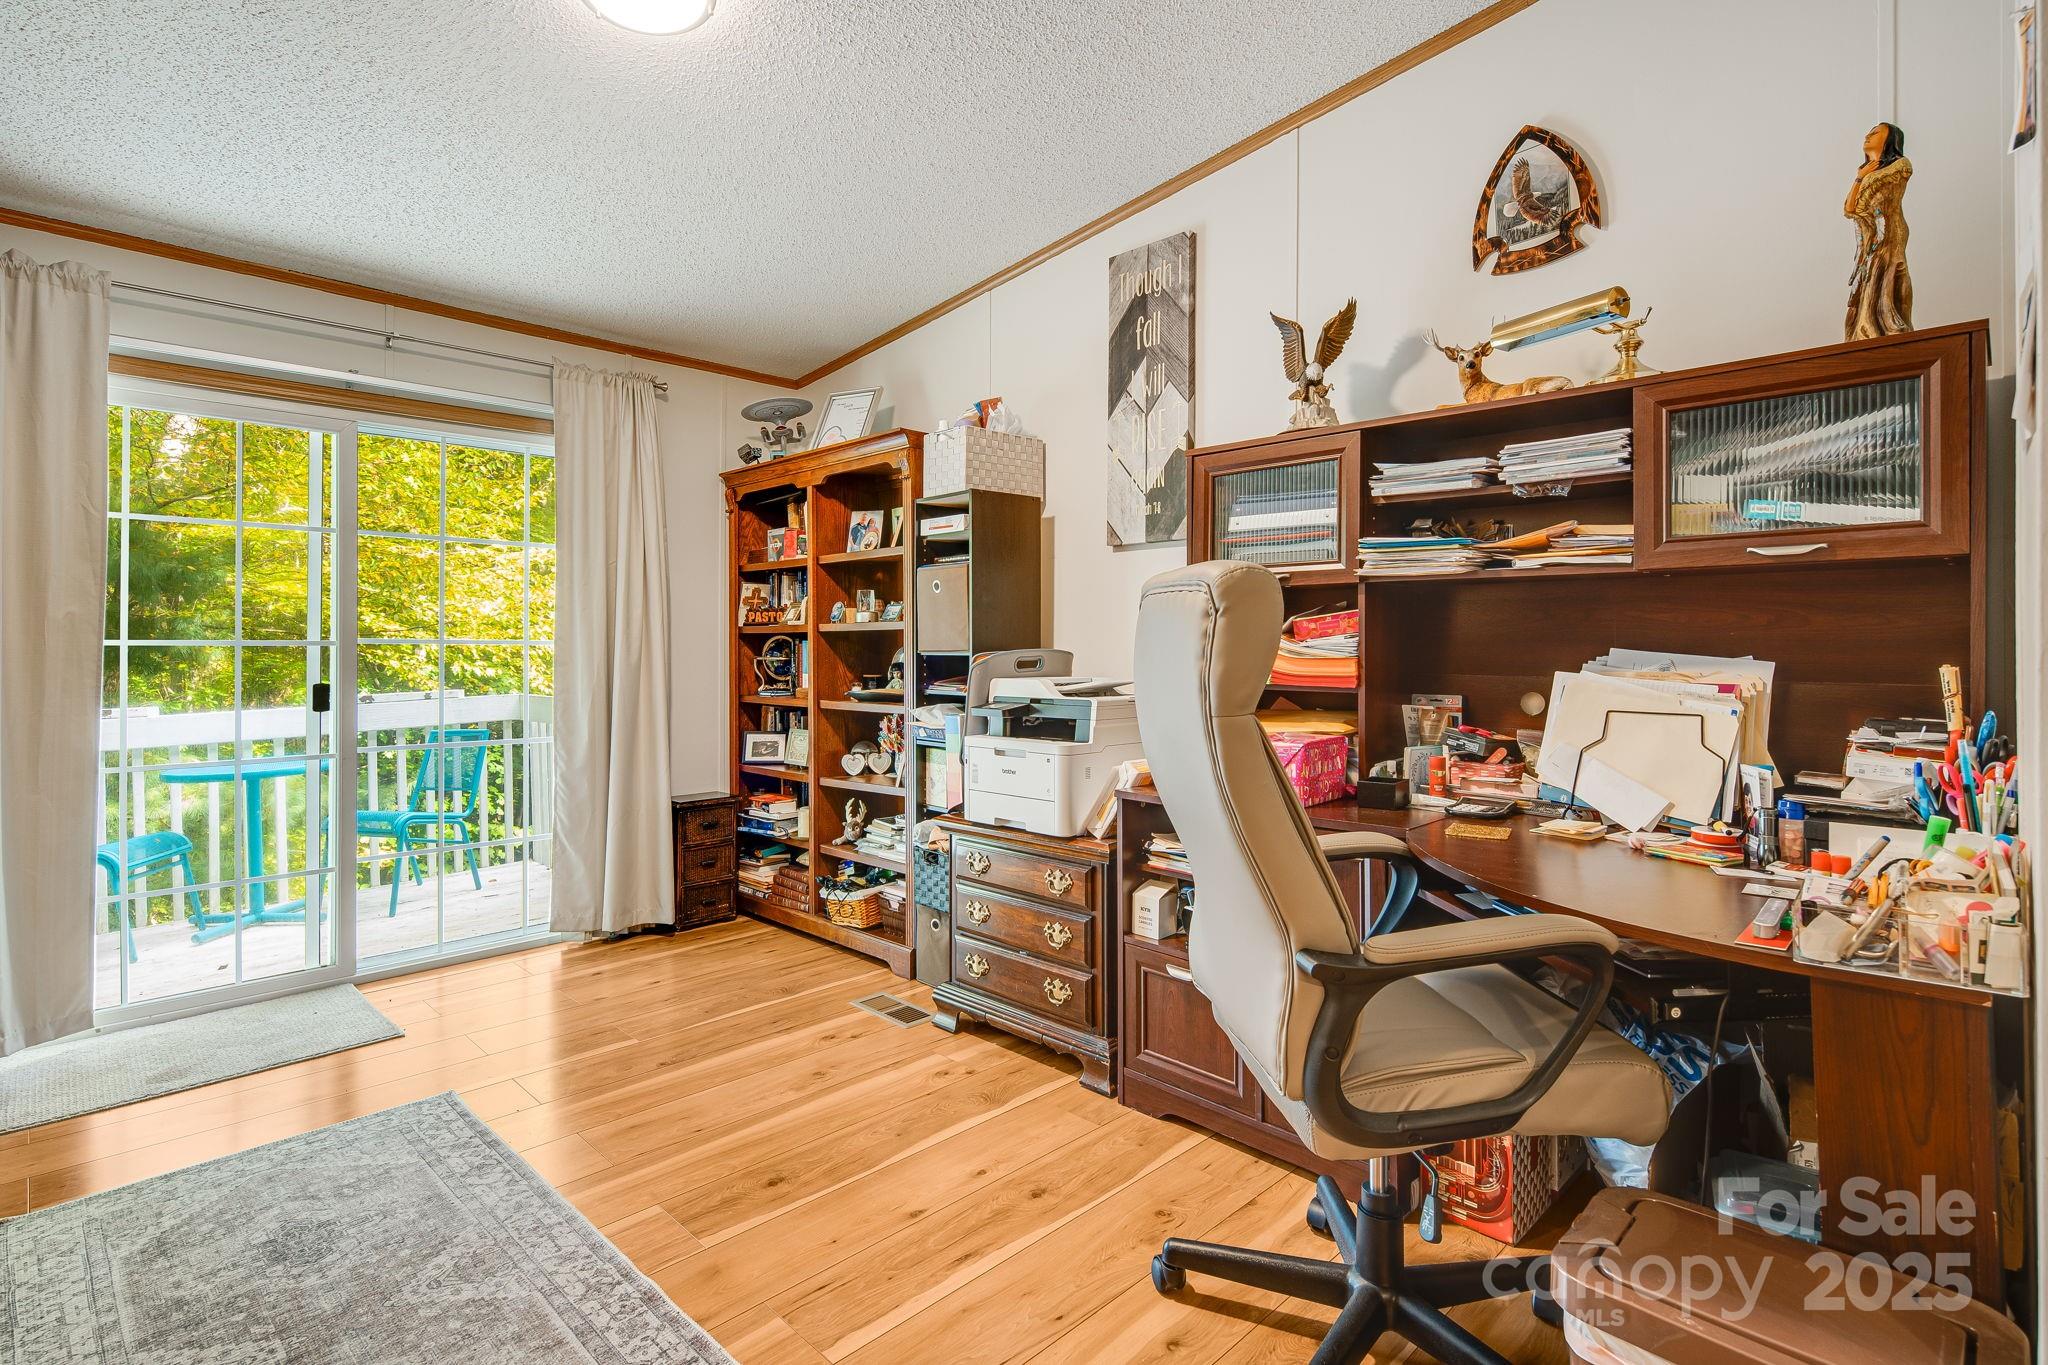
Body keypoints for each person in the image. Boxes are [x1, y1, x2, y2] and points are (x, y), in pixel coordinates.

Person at [1845, 122, 1913, 340]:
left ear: (1889, 140)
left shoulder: (1899, 166)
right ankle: (1864, 327)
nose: (1868, 135)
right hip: (1870, 233)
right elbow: (1849, 209)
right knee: (1867, 278)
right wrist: (1859, 175)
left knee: (1885, 272)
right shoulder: (1865, 173)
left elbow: (1874, 203)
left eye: (1875, 133)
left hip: (1889, 230)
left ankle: (1888, 323)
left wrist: (1865, 178)